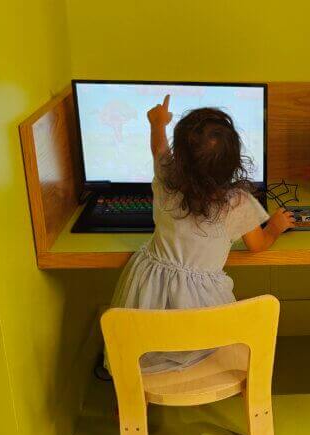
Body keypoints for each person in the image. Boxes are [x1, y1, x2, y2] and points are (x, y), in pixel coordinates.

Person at [110, 95, 294, 373]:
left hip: (148, 295)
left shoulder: (165, 178)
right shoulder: (239, 203)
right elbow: (258, 245)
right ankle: (195, 368)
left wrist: (157, 122)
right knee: (209, 332)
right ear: (234, 161)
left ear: (179, 159)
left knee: (143, 340)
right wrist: (276, 227)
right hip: (202, 313)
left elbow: (158, 147)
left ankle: (137, 385)